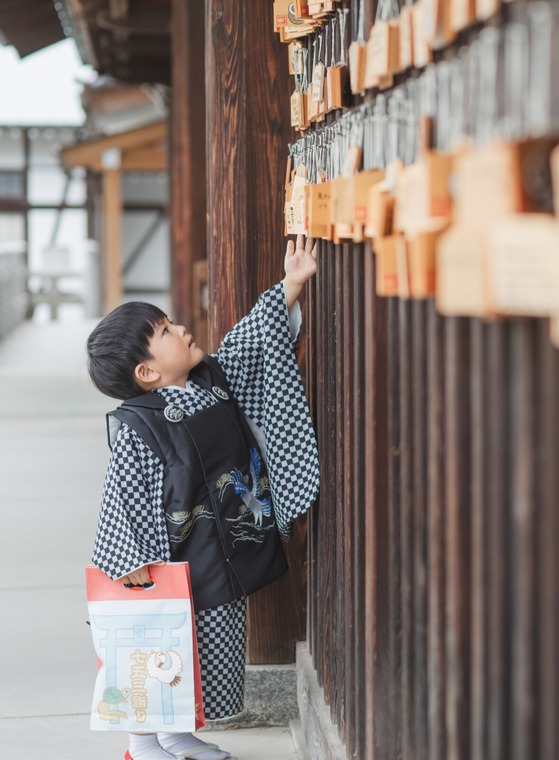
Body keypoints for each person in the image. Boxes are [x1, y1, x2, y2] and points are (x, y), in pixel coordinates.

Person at [86, 237, 320, 760]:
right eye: (165, 331)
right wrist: (129, 560)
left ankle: (177, 734)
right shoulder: (138, 425)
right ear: (147, 373)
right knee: (157, 645)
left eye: (171, 322)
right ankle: (141, 739)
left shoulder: (210, 378)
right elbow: (122, 495)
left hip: (218, 550)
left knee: (211, 645)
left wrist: (291, 284)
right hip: (168, 560)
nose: (181, 328)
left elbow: (249, 341)